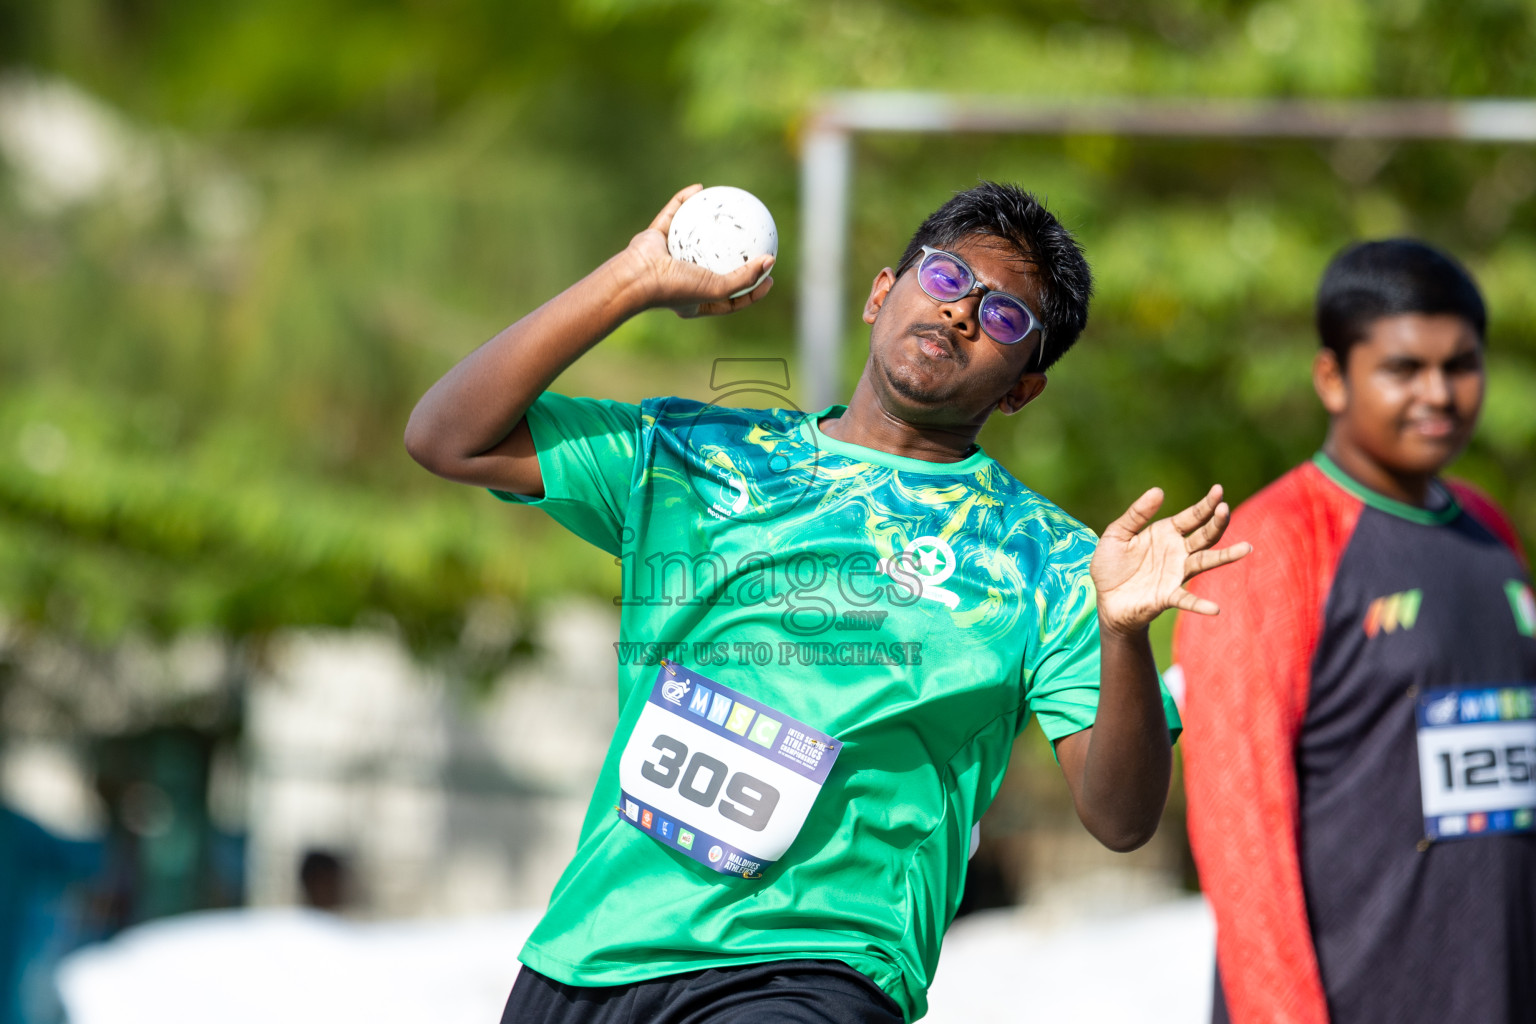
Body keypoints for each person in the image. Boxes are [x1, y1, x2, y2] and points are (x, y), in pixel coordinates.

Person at [406, 181, 1249, 1023]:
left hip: (815, 974)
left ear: (1021, 389)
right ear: (884, 293)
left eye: (1003, 319)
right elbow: (447, 437)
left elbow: (1121, 818)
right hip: (589, 954)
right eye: (951, 279)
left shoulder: (1055, 565)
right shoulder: (697, 455)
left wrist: (1123, 634)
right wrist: (629, 281)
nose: (963, 314)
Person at [1173, 239, 1536, 1024]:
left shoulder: (1490, 530)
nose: (1438, 393)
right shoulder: (1269, 546)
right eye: (1404, 369)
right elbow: (1239, 831)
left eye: (1461, 364)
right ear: (1333, 378)